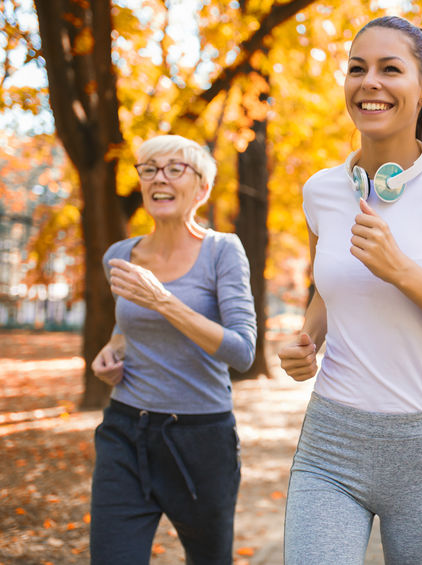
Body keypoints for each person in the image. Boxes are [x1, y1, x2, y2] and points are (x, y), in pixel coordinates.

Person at [277, 15, 422, 565]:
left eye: (389, 69)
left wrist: (401, 270)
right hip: (330, 441)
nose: (368, 82)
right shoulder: (322, 192)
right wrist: (306, 340)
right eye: (357, 69)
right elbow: (332, 286)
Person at [89, 134, 257, 565]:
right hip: (126, 431)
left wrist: (163, 299)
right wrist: (113, 350)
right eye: (149, 169)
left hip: (200, 438)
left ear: (202, 189)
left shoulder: (222, 251)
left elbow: (242, 352)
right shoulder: (119, 256)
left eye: (174, 168)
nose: (158, 178)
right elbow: (127, 327)